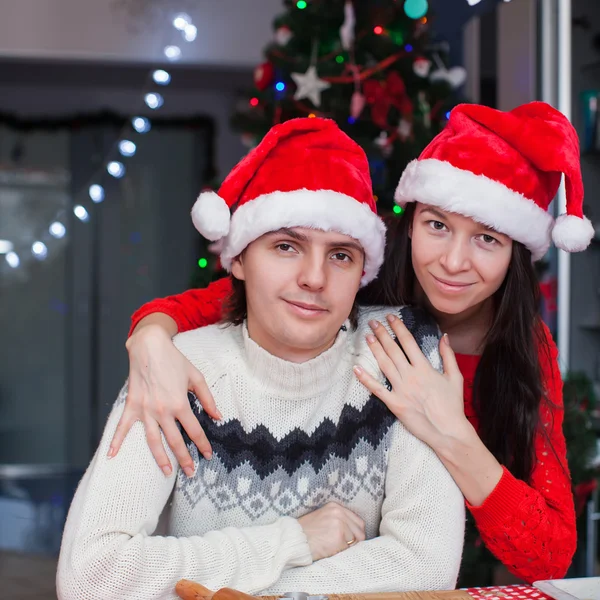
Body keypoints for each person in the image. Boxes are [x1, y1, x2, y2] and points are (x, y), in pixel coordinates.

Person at [110, 101, 595, 585]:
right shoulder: (351, 289)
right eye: (438, 226)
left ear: (516, 253)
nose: (452, 262)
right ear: (412, 222)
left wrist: (454, 435)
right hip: (327, 566)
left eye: (487, 239)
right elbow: (230, 298)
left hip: (436, 578)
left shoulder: (524, 348)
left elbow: (548, 556)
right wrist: (151, 334)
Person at [57, 117, 465, 600]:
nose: (314, 278)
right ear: (237, 259)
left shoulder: (399, 354)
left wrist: (245, 595)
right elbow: (92, 577)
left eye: (340, 255)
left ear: (363, 271)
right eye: (286, 246)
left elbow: (428, 564)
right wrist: (292, 541)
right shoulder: (174, 369)